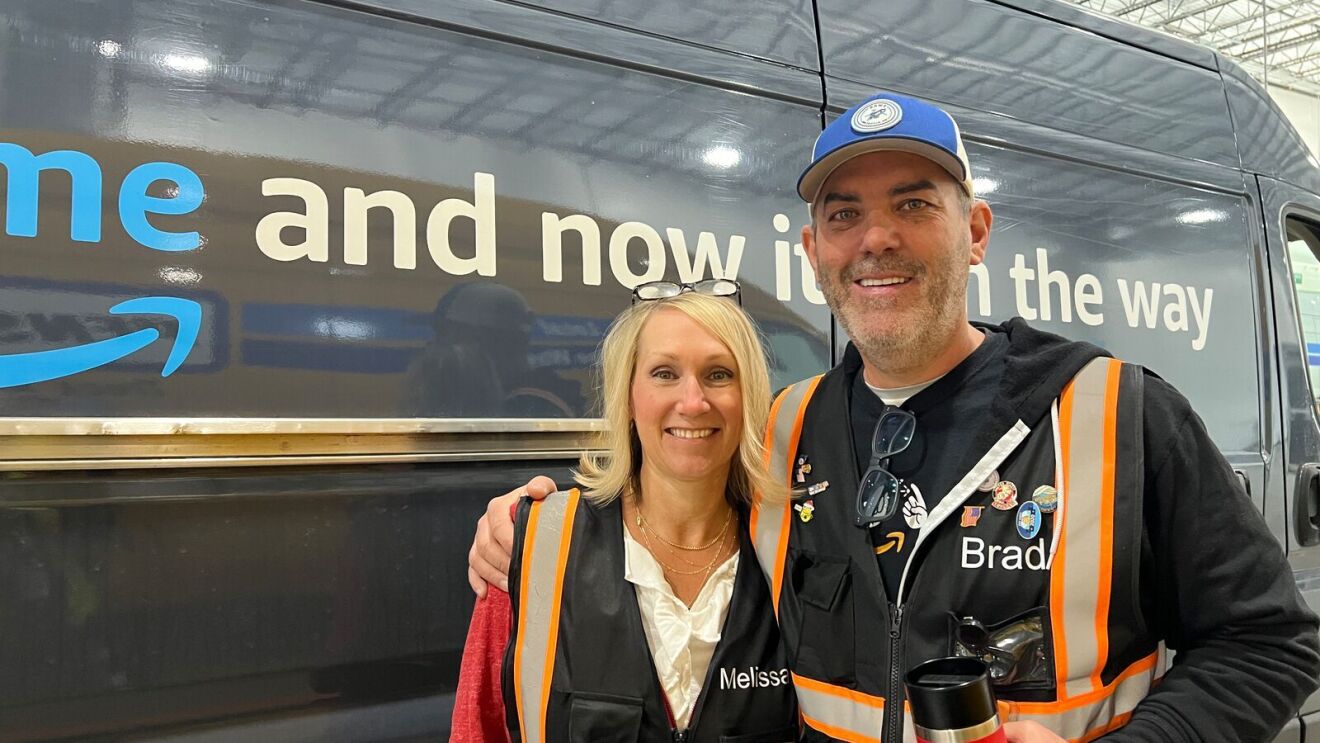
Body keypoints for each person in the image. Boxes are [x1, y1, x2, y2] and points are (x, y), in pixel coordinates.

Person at [468, 92, 1320, 742]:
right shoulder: (786, 430)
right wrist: (528, 527)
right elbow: (665, 498)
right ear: (813, 254)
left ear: (976, 231)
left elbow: (1272, 641)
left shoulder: (1117, 412)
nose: (876, 238)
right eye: (843, 215)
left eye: (914, 204)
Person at [451, 282, 799, 742]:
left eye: (718, 374)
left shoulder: (796, 551)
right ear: (629, 396)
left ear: (749, 398)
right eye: (664, 373)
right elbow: (479, 730)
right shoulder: (531, 547)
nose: (693, 402)